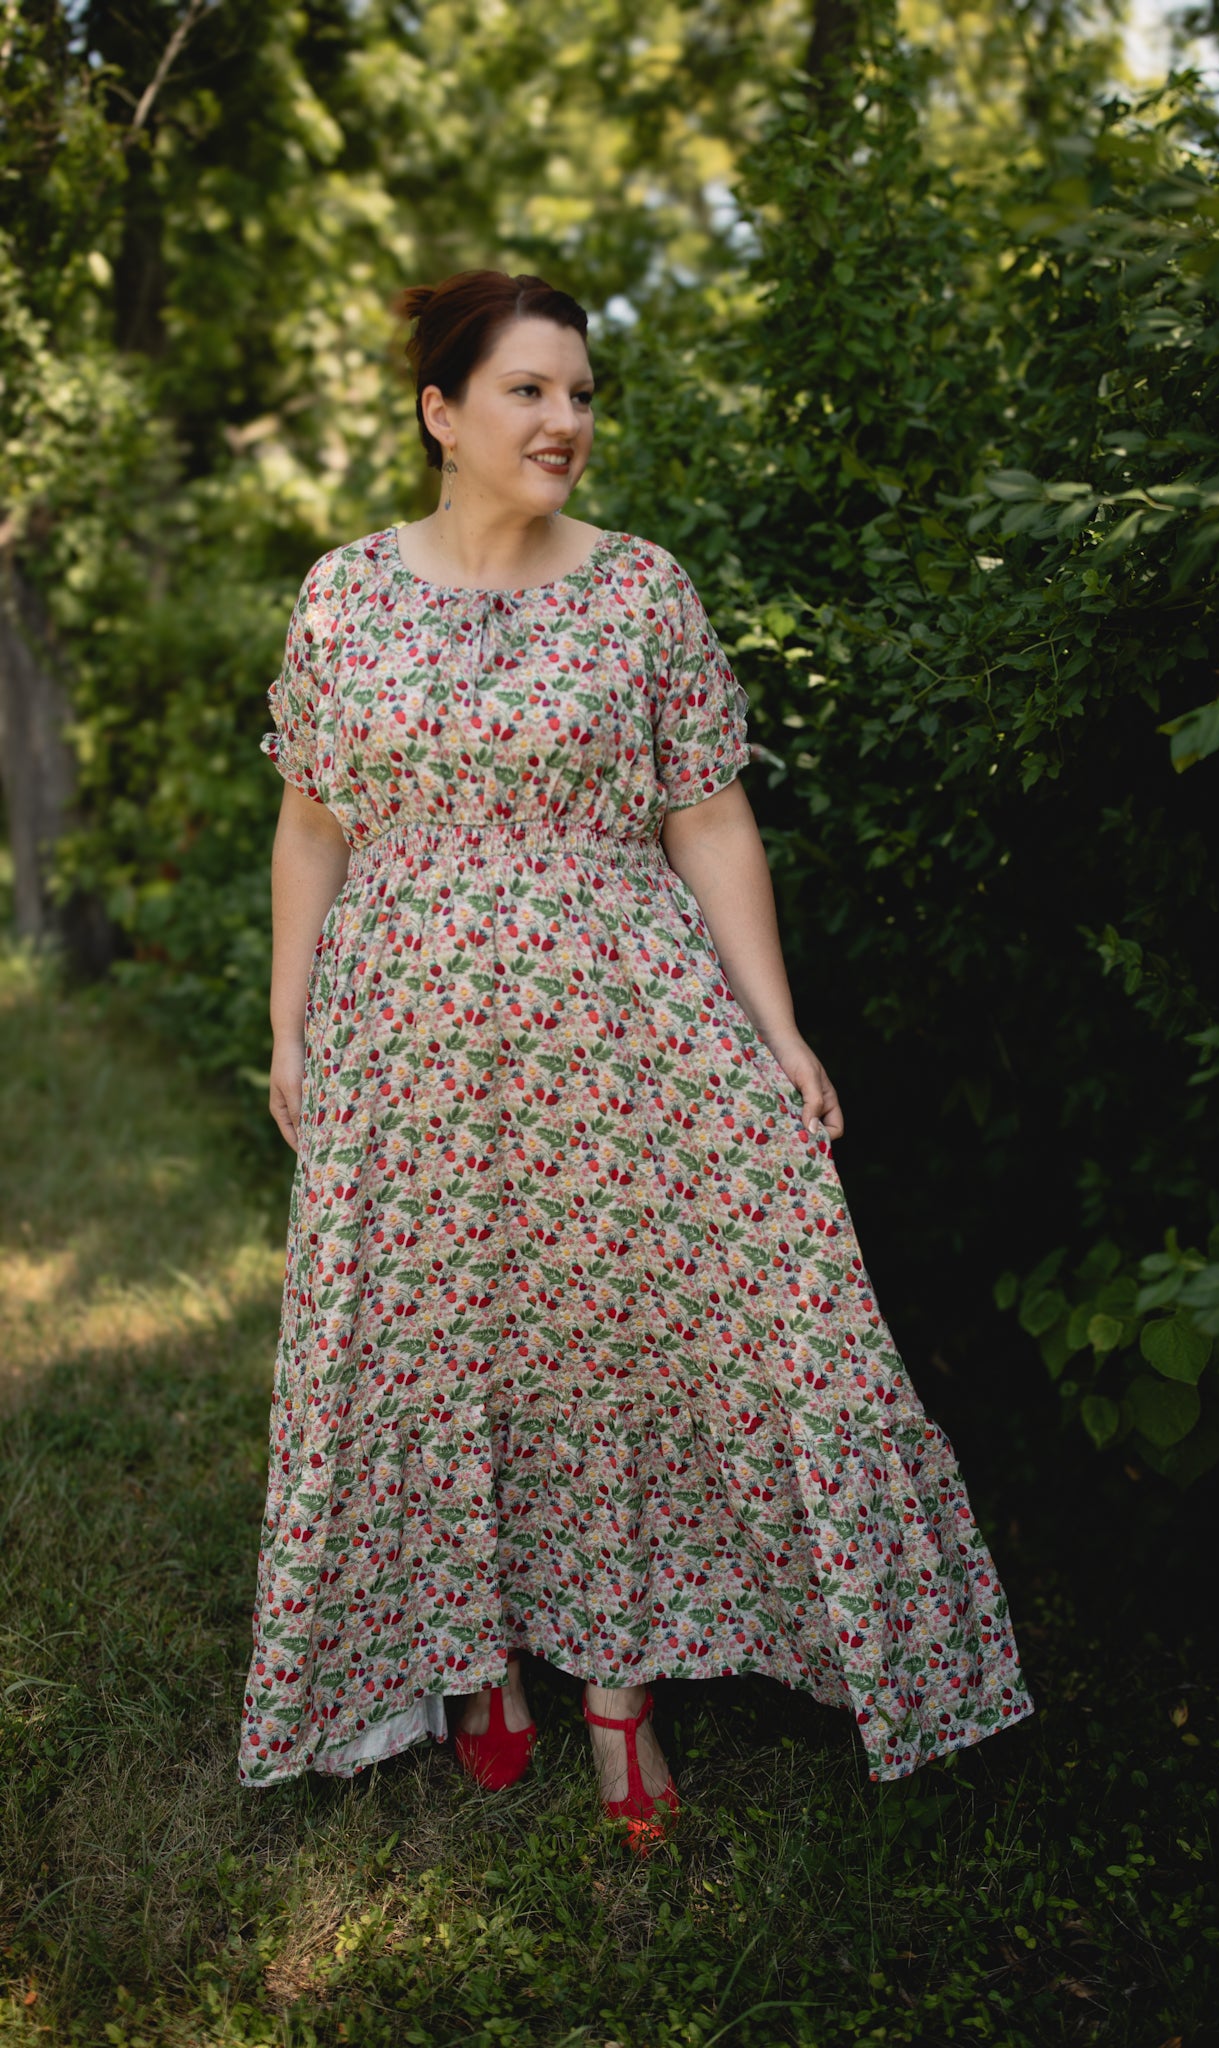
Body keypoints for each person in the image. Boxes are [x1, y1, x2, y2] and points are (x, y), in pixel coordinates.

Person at [239, 269, 1033, 1846]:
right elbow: (312, 823)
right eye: (529, 390)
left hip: (624, 1018)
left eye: (583, 393)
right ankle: (471, 1659)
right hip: (404, 1030)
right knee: (439, 1340)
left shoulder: (640, 591)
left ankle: (620, 1684)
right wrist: (289, 1028)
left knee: (635, 1334)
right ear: (439, 414)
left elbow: (706, 812)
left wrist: (776, 1026)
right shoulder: (342, 594)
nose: (565, 422)